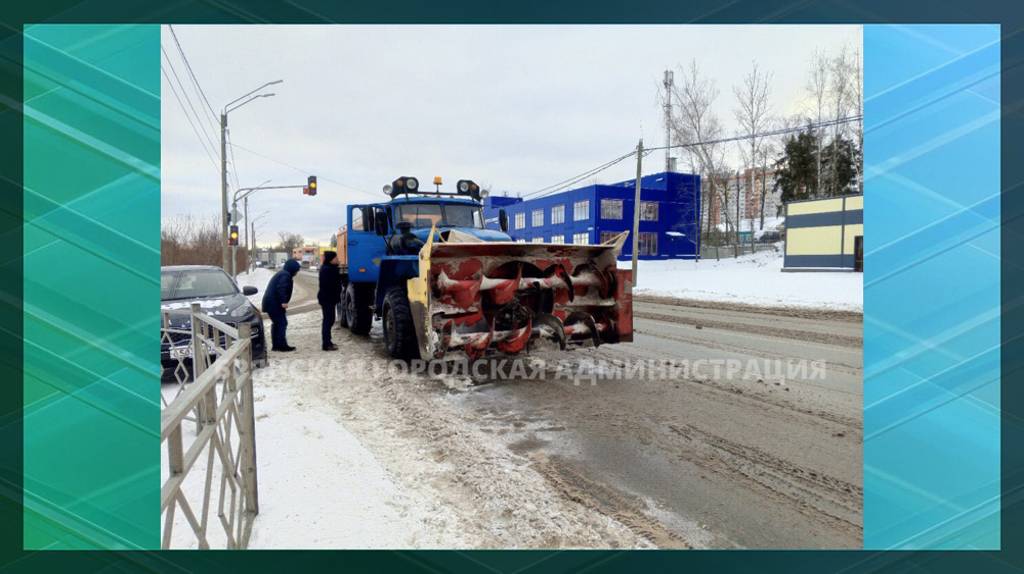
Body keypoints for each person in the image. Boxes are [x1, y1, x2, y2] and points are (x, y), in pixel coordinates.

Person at [262, 258, 301, 351]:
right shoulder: (285, 275)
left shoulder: (283, 273)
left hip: (272, 303)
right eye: (296, 270)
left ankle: (276, 345)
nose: (297, 272)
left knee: (277, 323)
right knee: (282, 323)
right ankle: (282, 346)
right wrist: (283, 301)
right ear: (292, 269)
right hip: (274, 303)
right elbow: (281, 288)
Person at [317, 250, 342, 351]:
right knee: (328, 321)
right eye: (336, 258)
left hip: (328, 299)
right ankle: (326, 344)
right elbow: (331, 286)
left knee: (329, 320)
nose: (338, 260)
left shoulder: (329, 268)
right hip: (327, 299)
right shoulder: (328, 270)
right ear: (331, 260)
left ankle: (328, 341)